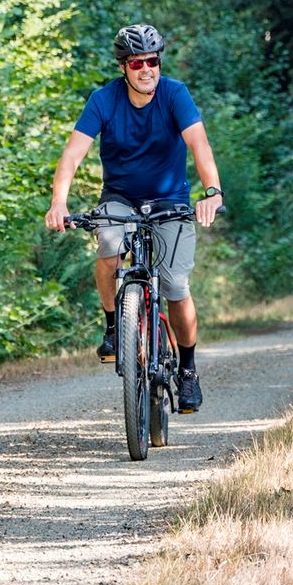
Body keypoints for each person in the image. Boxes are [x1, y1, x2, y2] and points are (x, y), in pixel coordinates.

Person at [45, 23, 223, 413]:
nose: (148, 70)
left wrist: (212, 192)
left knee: (175, 283)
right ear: (124, 67)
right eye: (138, 62)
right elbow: (72, 155)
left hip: (170, 200)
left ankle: (188, 369)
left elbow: (200, 145)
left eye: (154, 61)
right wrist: (59, 202)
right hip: (121, 197)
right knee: (109, 244)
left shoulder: (176, 95)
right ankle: (114, 326)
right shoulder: (103, 100)